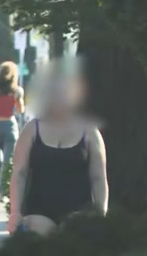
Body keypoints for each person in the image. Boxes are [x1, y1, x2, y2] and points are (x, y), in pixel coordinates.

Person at [8, 64, 109, 236]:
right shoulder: (32, 129)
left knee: (73, 240)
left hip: (79, 210)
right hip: (38, 210)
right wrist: (15, 213)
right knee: (41, 238)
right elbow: (19, 173)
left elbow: (98, 177)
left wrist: (101, 214)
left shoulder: (90, 131)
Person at [0, 62, 26, 199]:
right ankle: (2, 191)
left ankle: (2, 189)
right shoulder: (16, 91)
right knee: (8, 160)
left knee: (0, 160)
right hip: (10, 125)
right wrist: (19, 100)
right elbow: (20, 110)